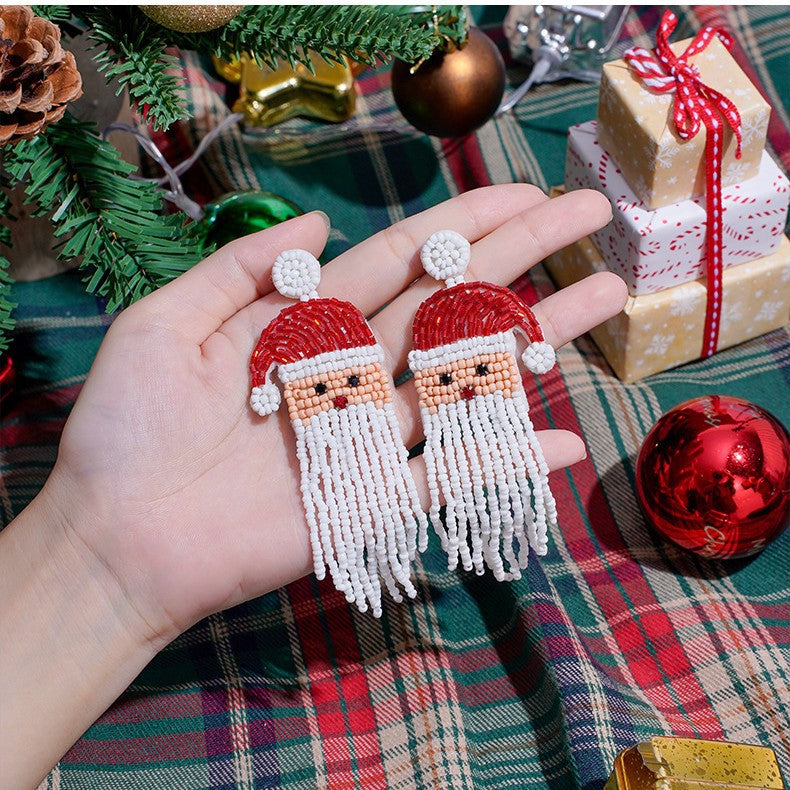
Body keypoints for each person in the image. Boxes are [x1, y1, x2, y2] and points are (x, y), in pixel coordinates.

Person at [0, 185, 626, 788]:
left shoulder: (411, 327)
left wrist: (90, 564)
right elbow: (268, 355)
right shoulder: (318, 343)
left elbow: (271, 356)